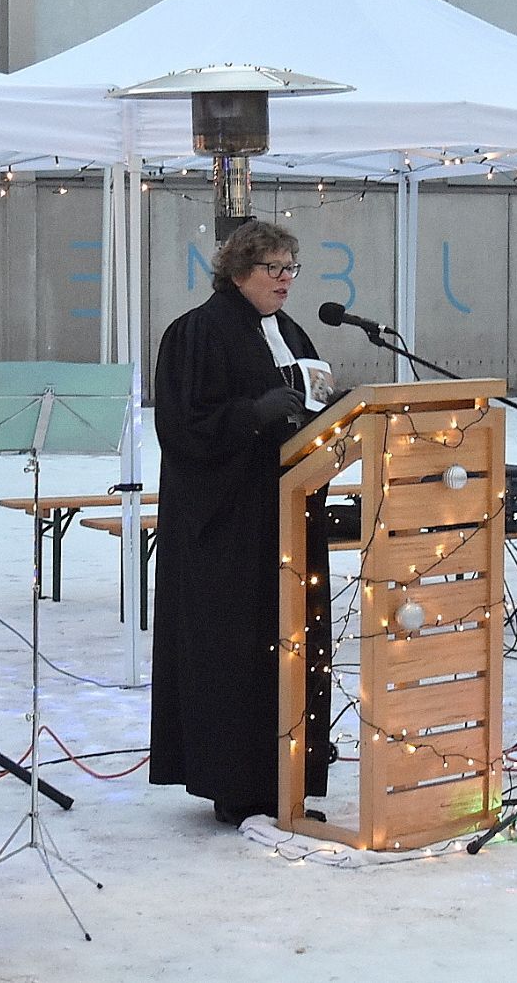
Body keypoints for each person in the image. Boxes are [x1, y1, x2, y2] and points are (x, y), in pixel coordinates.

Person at [150, 219, 330, 825]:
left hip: (286, 510)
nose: (285, 280)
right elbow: (181, 430)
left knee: (291, 643)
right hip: (226, 525)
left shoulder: (293, 332)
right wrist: (250, 415)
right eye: (273, 269)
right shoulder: (195, 333)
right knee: (236, 650)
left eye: (291, 268)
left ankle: (290, 774)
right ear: (237, 272)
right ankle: (235, 782)